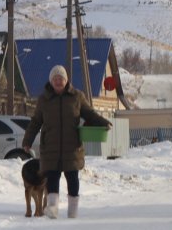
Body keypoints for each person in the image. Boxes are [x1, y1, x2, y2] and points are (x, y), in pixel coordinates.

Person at [21, 65, 111, 218]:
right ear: (51, 81)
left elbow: (89, 113)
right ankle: (52, 209)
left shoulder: (77, 96)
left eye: (61, 78)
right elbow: (36, 121)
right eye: (55, 79)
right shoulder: (44, 99)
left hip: (72, 147)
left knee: (72, 178)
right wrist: (27, 140)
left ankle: (72, 211)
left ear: (66, 80)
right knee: (52, 178)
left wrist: (103, 122)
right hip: (51, 146)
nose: (58, 81)